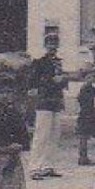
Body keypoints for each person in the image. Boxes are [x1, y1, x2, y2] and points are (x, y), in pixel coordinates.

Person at [26, 31, 68, 180]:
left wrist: (63, 79)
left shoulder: (59, 62)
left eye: (55, 43)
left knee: (54, 135)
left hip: (56, 101)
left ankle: (47, 166)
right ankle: (34, 167)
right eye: (50, 43)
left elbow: (63, 83)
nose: (52, 46)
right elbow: (33, 82)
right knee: (41, 135)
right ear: (45, 45)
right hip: (44, 101)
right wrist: (52, 80)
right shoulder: (39, 62)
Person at [74, 73, 95, 166]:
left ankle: (83, 157)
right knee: (84, 136)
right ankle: (83, 157)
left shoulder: (85, 88)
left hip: (84, 113)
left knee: (83, 137)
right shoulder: (89, 88)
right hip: (87, 114)